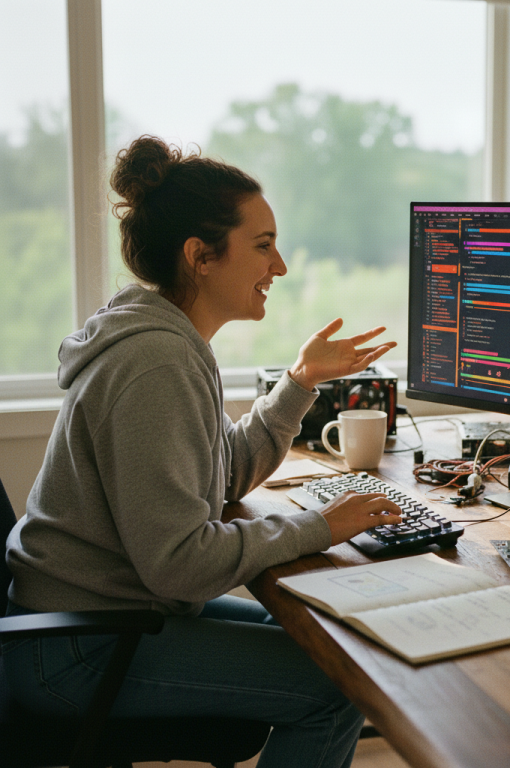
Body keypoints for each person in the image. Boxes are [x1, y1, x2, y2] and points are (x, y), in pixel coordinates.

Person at [2, 135, 403, 767]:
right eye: (263, 246)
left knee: (330, 642)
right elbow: (180, 564)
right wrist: (319, 526)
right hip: (78, 650)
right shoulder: (155, 363)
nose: (281, 267)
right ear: (200, 257)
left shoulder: (168, 338)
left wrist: (299, 383)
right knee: (338, 683)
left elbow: (222, 477)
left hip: (100, 619)